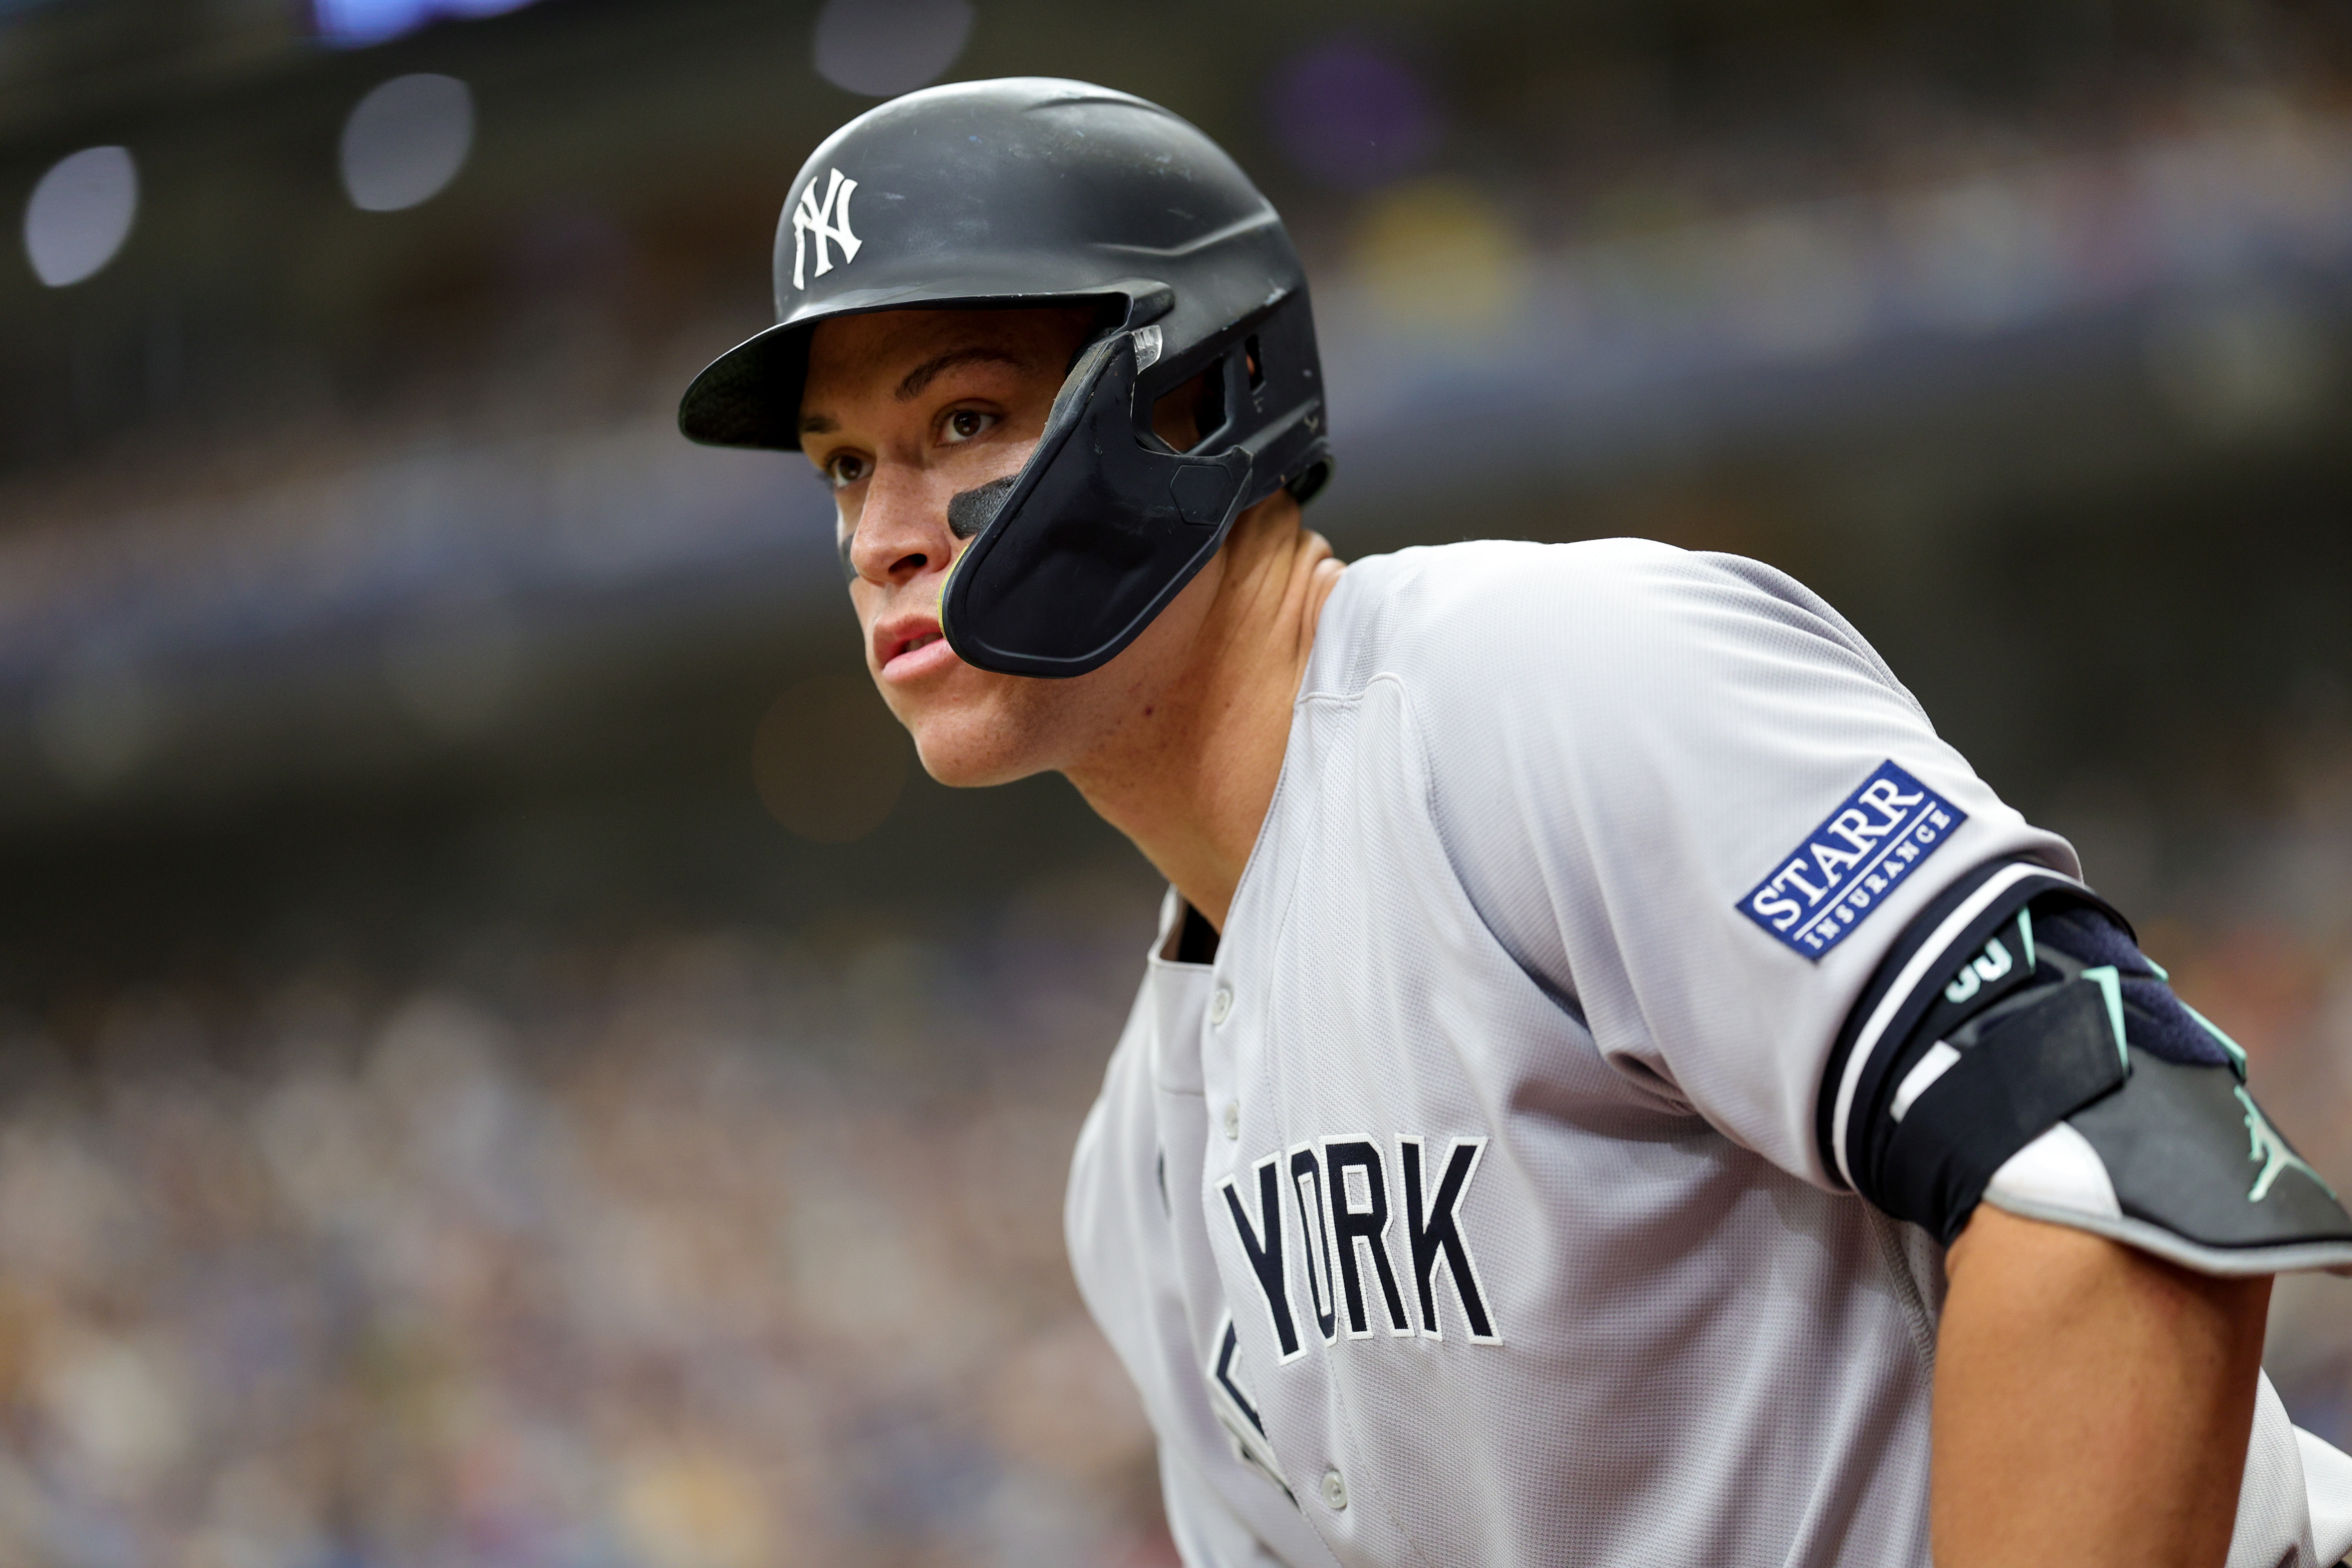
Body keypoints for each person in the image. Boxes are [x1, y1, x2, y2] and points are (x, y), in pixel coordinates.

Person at [681, 78, 2352, 1568]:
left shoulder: (1539, 685)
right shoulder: (1138, 1169)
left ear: (1197, 395)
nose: (883, 536)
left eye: (960, 420)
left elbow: (2121, 1157)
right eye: (842, 466)